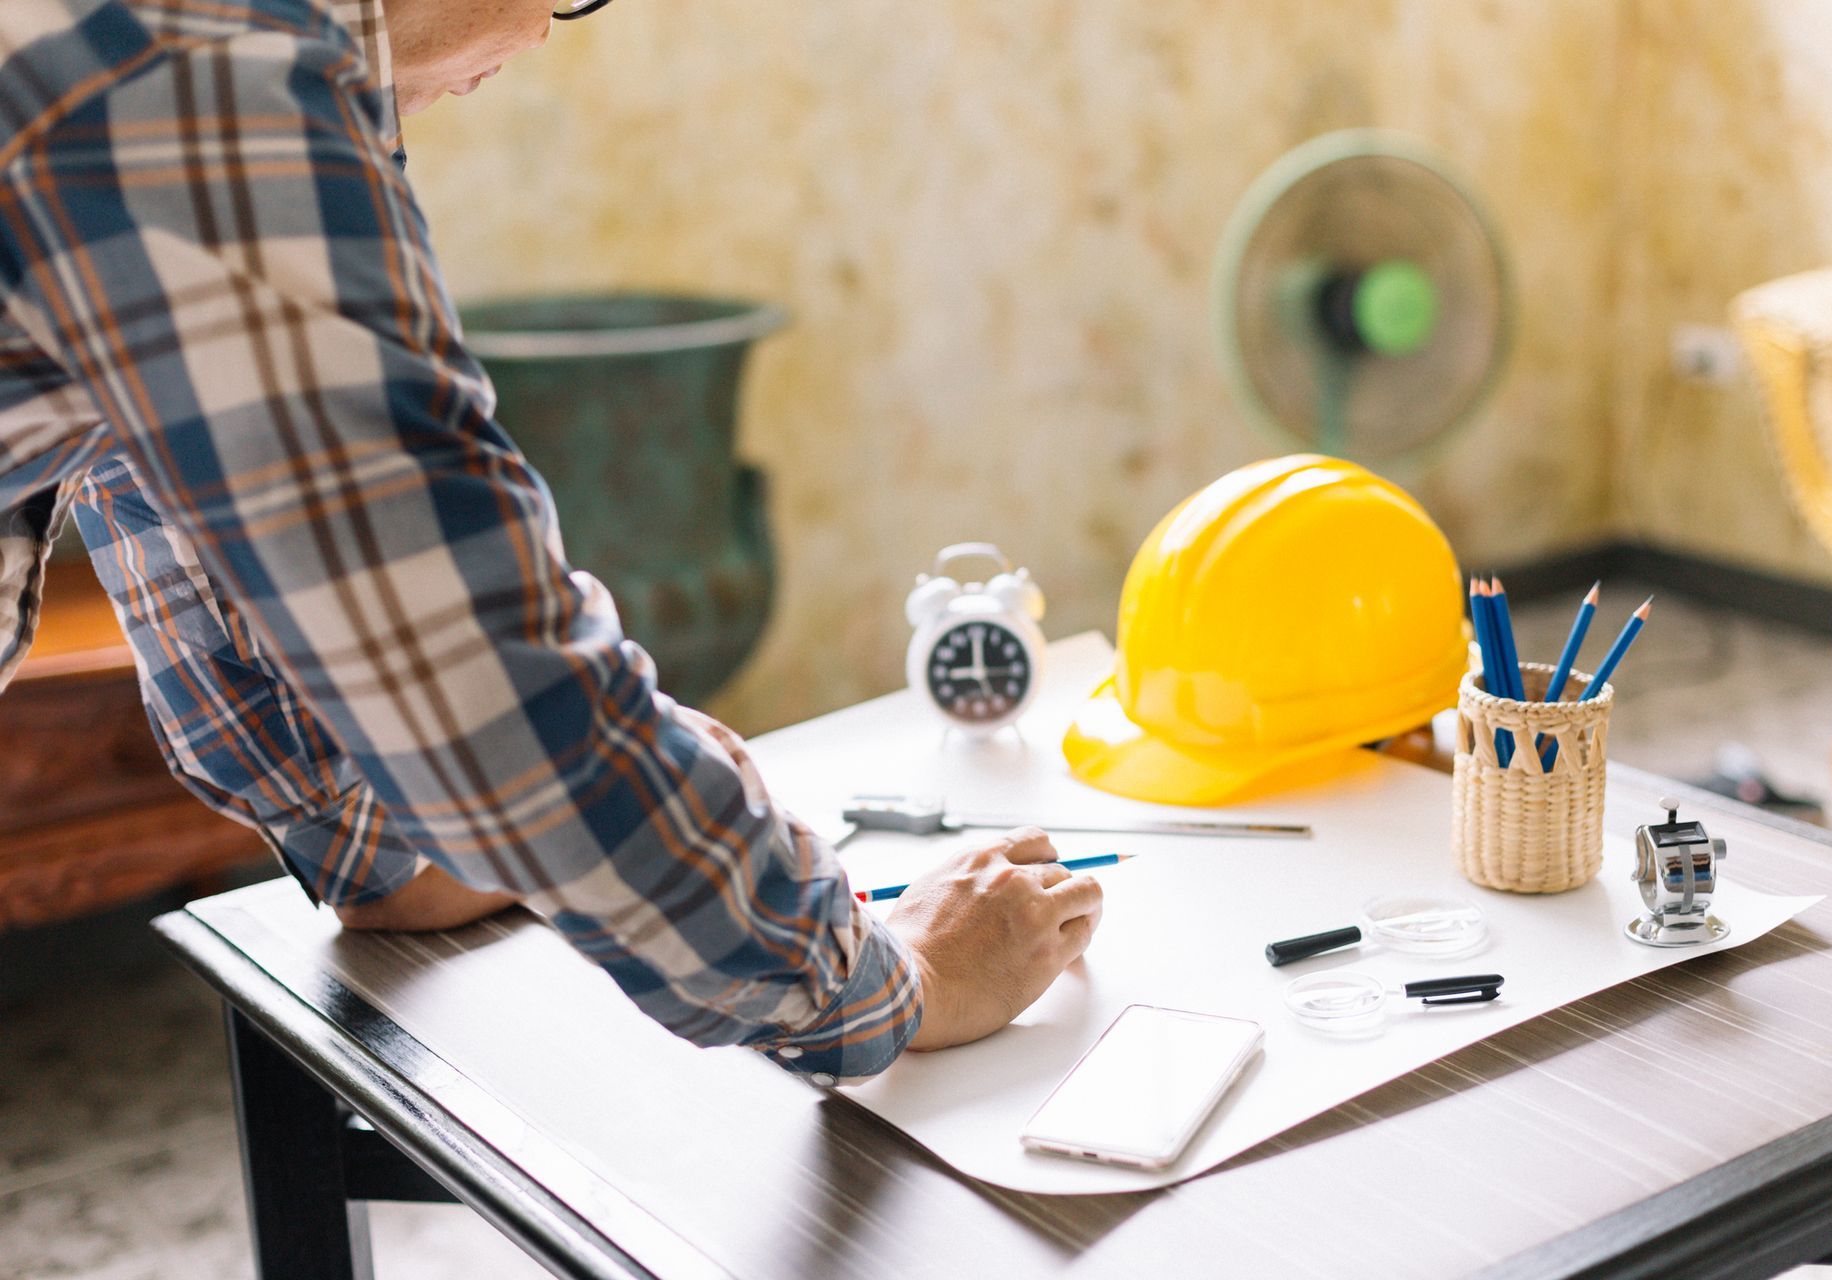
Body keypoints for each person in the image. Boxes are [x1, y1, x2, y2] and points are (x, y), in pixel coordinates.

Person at [0, 0, 1102, 1078]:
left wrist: (377, 850)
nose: (538, 40)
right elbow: (489, 682)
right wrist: (900, 980)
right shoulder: (199, 77)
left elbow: (162, 492)